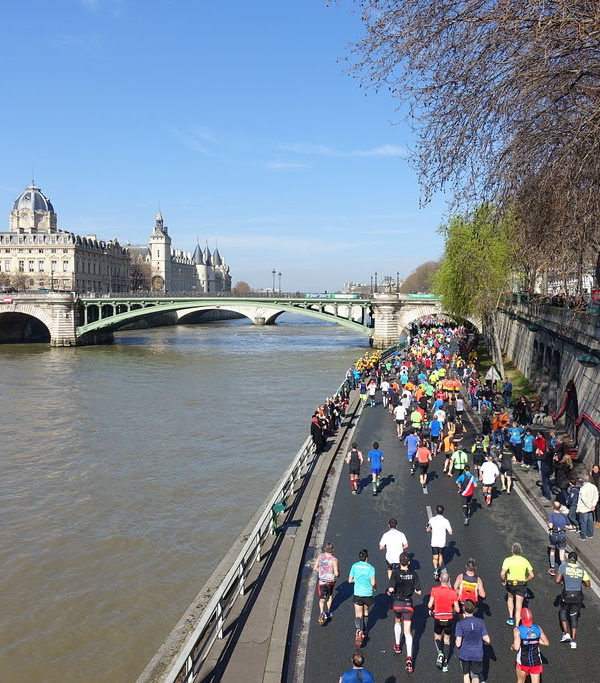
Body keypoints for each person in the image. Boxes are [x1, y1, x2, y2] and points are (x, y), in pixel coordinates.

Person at [387, 551, 421, 672]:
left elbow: (391, 589)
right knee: (407, 632)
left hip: (397, 603)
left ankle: (397, 646)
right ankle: (409, 658)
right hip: (408, 605)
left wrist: (389, 591)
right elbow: (419, 591)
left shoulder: (395, 573)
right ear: (409, 562)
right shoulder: (413, 574)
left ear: (400, 562)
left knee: (397, 621)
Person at [554, 550, 591, 649]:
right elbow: (588, 584)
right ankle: (573, 641)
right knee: (574, 617)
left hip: (566, 594)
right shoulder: (582, 569)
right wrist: (579, 582)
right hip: (578, 595)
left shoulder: (563, 567)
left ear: (568, 559)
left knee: (563, 611)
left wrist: (564, 579)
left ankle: (565, 633)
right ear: (576, 560)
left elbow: (557, 580)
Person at [429, 571, 459, 672]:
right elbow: (457, 609)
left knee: (437, 637)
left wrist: (432, 609)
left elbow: (429, 604)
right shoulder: (453, 592)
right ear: (449, 580)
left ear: (440, 579)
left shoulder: (434, 590)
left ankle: (440, 652)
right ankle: (445, 664)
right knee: (447, 640)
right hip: (448, 619)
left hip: (438, 618)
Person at [455, 599, 490, 683]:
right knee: (475, 675)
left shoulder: (460, 624)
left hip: (464, 654)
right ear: (474, 609)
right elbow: (487, 640)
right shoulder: (480, 622)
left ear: (464, 609)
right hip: (477, 654)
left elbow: (458, 644)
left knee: (466, 674)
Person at [500, 542, 535, 626]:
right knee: (519, 606)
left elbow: (502, 573)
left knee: (510, 598)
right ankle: (517, 625)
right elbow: (532, 575)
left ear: (512, 550)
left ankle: (510, 618)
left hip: (511, 583)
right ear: (521, 551)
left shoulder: (507, 560)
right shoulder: (525, 561)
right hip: (521, 584)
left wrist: (503, 580)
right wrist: (526, 580)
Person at [511, 607, 549, 683]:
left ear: (521, 617)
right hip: (536, 661)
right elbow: (546, 643)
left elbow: (516, 647)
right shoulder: (538, 628)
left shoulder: (517, 630)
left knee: (520, 681)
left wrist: (512, 647)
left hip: (523, 661)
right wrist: (534, 640)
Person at [348, 549, 376, 646]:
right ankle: (365, 629)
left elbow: (350, 580)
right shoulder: (371, 568)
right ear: (367, 557)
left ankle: (359, 630)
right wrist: (374, 586)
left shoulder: (354, 566)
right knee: (366, 611)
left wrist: (356, 579)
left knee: (358, 614)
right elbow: (373, 583)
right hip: (368, 594)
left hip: (358, 593)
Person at [313, 542, 339, 624]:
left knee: (322, 598)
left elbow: (315, 568)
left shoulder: (320, 556)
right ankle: (328, 611)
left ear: (325, 549)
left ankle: (321, 612)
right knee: (330, 596)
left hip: (322, 581)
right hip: (331, 581)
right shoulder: (334, 560)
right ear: (333, 550)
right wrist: (337, 573)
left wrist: (321, 571)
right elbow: (336, 573)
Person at [427, 504, 453, 581]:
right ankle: (438, 568)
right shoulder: (446, 521)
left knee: (435, 557)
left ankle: (435, 570)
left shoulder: (432, 519)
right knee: (440, 555)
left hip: (434, 541)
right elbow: (450, 532)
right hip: (442, 541)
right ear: (443, 511)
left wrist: (431, 529)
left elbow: (427, 529)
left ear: (436, 511)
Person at [547, 501, 572, 575]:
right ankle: (563, 569)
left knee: (552, 550)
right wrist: (563, 526)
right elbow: (570, 527)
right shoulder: (564, 516)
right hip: (562, 536)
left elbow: (551, 526)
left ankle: (552, 568)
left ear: (553, 507)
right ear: (560, 508)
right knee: (562, 553)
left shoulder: (551, 515)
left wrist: (549, 525)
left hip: (554, 535)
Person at [576, 473, 599, 540]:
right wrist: (593, 505)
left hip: (584, 508)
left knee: (583, 522)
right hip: (591, 507)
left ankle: (583, 536)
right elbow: (596, 496)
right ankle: (590, 534)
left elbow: (584, 499)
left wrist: (589, 506)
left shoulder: (583, 488)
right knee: (590, 521)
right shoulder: (594, 487)